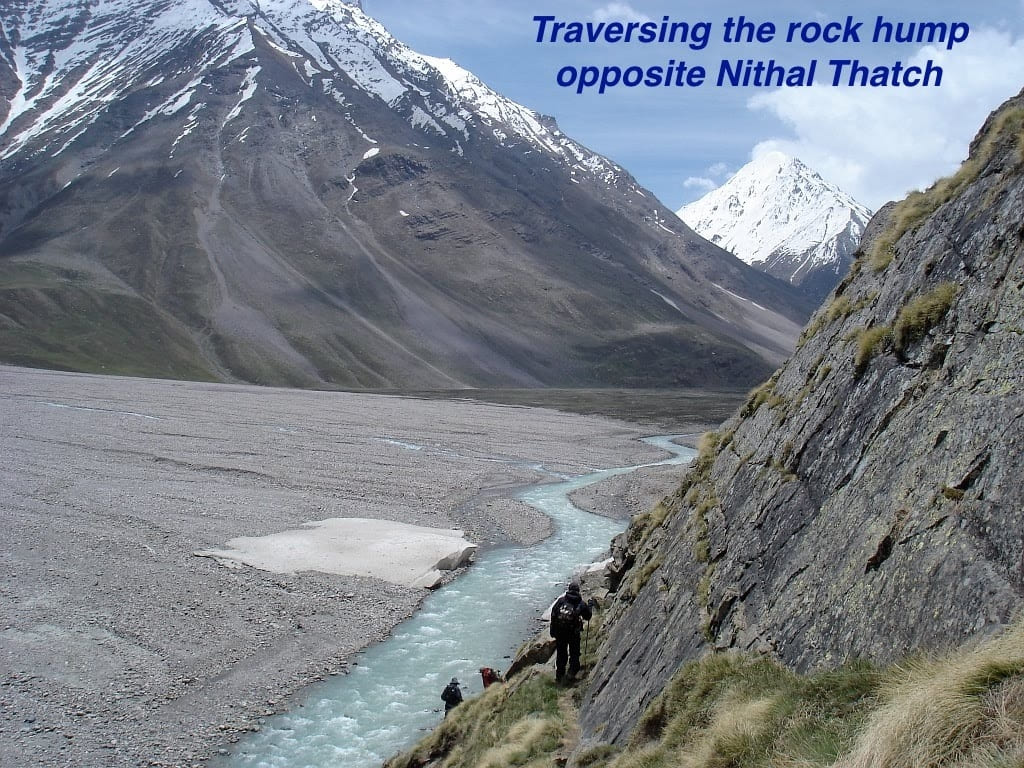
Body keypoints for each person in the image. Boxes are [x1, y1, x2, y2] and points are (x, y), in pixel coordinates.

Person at [549, 581, 593, 682]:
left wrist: (553, 630)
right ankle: (571, 674)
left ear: (568, 590)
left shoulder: (561, 601)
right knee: (574, 654)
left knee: (561, 654)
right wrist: (590, 605)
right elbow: (588, 616)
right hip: (573, 633)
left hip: (560, 633)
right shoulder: (580, 603)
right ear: (578, 591)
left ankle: (559, 676)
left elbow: (554, 613)